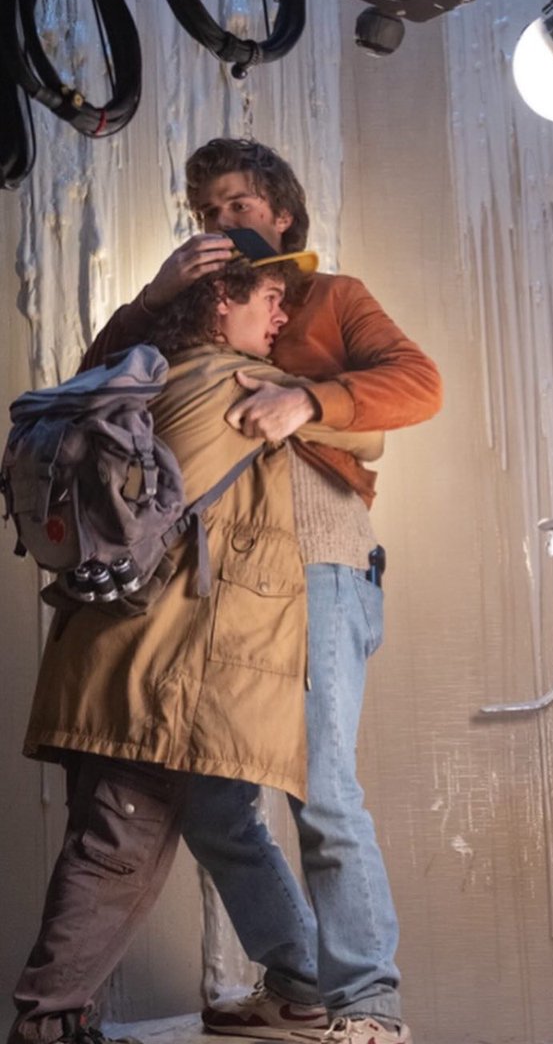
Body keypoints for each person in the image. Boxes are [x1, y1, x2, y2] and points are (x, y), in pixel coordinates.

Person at [80, 138, 444, 1044]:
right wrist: (155, 296)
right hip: (222, 576)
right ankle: (298, 984)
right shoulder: (195, 311)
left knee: (320, 789)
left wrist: (307, 404)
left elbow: (418, 383)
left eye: (239, 206)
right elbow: (95, 388)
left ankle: (370, 1007)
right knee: (209, 797)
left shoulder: (332, 298)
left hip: (317, 560)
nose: (221, 224)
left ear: (281, 213)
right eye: (206, 212)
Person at [9, 255, 383, 1044]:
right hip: (161, 665)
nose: (280, 319)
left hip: (112, 654)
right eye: (271, 301)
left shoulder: (148, 373)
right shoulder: (230, 385)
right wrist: (307, 400)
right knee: (115, 855)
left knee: (111, 845)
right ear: (220, 299)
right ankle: (45, 1025)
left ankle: (286, 985)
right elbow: (372, 432)